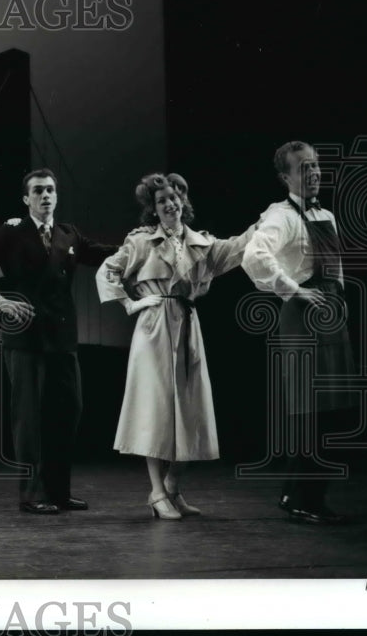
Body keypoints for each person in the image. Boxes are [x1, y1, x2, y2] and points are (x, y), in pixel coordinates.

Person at [95, 173, 255, 520]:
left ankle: (172, 486)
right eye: (161, 200)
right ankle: (156, 492)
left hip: (186, 324)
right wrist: (129, 304)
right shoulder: (141, 242)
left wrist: (268, 222)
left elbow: (239, 248)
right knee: (155, 408)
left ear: (183, 200)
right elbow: (108, 271)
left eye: (174, 197)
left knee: (189, 406)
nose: (170, 204)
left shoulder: (201, 242)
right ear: (153, 209)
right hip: (154, 328)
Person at [0, 168, 115, 514]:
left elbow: (104, 254)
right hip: (25, 338)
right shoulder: (13, 232)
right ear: (26, 198)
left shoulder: (68, 234)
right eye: (38, 191)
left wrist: (138, 245)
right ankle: (32, 494)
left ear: (56, 197)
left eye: (50, 191)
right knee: (29, 418)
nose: (45, 196)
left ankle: (58, 492)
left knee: (67, 412)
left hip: (62, 337)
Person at [241, 141, 360, 525]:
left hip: (330, 314)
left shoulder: (325, 214)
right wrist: (293, 289)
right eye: (302, 168)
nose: (312, 173)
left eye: (314, 165)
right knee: (309, 412)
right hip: (303, 317)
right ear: (286, 177)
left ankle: (308, 495)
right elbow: (254, 255)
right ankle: (298, 496)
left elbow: (336, 266)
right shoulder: (281, 215)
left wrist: (337, 298)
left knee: (333, 412)